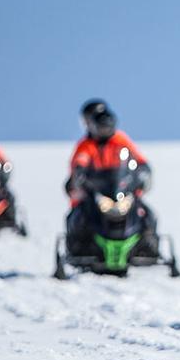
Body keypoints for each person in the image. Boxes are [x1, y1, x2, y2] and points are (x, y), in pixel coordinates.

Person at [65, 100, 155, 252]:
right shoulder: (86, 145)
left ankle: (149, 246)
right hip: (96, 190)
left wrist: (142, 171)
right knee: (78, 217)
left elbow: (136, 157)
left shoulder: (120, 140)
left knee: (146, 214)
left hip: (120, 189)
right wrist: (79, 173)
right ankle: (78, 248)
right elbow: (81, 159)